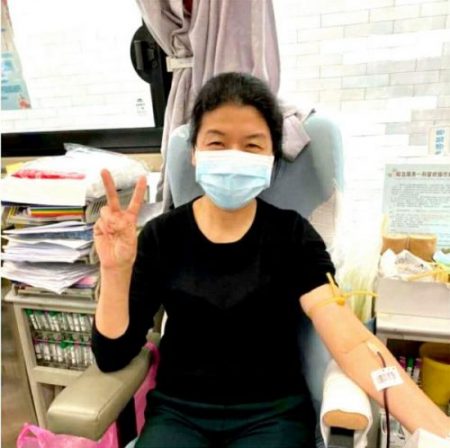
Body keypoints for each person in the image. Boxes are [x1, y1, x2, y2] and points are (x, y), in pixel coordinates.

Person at [92, 72, 450, 448]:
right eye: (217, 142)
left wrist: (439, 430)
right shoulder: (161, 236)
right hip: (179, 414)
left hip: (272, 416)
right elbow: (112, 355)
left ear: (271, 158)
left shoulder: (293, 237)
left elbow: (351, 342)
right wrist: (115, 270)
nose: (234, 156)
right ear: (194, 153)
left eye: (252, 145)